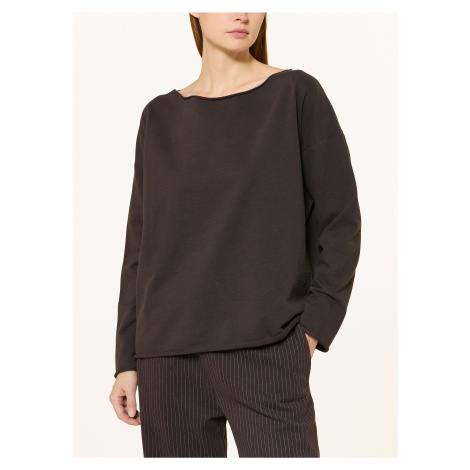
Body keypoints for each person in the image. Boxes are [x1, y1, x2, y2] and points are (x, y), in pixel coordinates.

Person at [109, 12, 361, 458]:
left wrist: (310, 334)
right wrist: (126, 360)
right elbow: (141, 245)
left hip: (267, 351)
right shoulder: (158, 117)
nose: (242, 12)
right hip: (167, 359)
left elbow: (341, 222)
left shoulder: (295, 95)